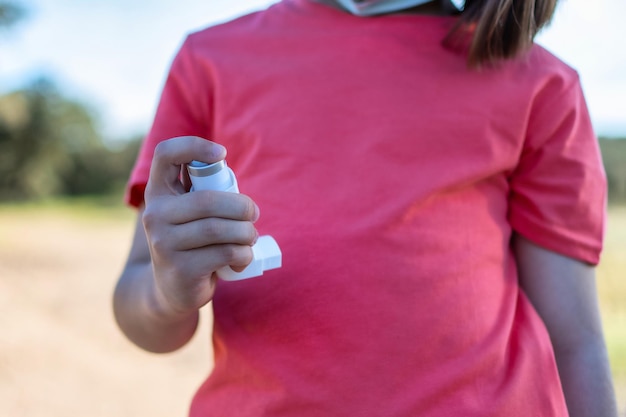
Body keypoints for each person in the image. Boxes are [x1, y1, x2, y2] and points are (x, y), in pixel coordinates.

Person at [112, 0, 619, 416]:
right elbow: (143, 309)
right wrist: (167, 294)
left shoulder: (541, 82)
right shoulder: (211, 59)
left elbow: (574, 341)